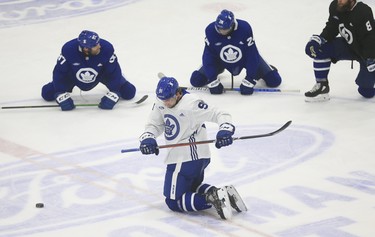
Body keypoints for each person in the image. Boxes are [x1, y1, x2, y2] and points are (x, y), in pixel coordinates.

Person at [138, 76, 247, 220]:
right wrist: (148, 138)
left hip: (186, 159)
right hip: (189, 157)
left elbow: (219, 113)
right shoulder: (161, 102)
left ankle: (213, 200)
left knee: (173, 202)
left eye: (169, 99)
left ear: (178, 93)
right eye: (163, 99)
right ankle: (220, 193)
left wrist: (225, 129)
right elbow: (154, 125)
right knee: (189, 189)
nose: (166, 102)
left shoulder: (191, 104)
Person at [190, 9, 282, 95]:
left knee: (274, 80)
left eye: (225, 29)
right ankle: (218, 69)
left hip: (244, 58)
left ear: (232, 25)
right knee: (196, 80)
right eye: (219, 28)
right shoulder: (210, 30)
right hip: (220, 59)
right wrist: (212, 79)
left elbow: (252, 54)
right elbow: (208, 55)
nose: (222, 31)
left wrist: (250, 79)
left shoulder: (244, 28)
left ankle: (263, 70)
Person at [41, 30, 137, 110]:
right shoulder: (69, 50)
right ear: (86, 48)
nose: (99, 46)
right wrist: (60, 93)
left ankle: (122, 81)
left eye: (98, 43)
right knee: (47, 93)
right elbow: (59, 72)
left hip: (101, 74)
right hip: (73, 76)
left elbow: (114, 70)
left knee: (129, 92)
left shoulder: (107, 49)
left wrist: (115, 92)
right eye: (95, 45)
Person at [304, 0, 375, 102]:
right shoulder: (335, 6)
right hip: (351, 46)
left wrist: (371, 58)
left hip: (369, 51)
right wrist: (319, 39)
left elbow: (370, 37)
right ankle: (322, 87)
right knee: (320, 48)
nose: (339, 1)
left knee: (366, 92)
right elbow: (332, 28)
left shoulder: (363, 11)